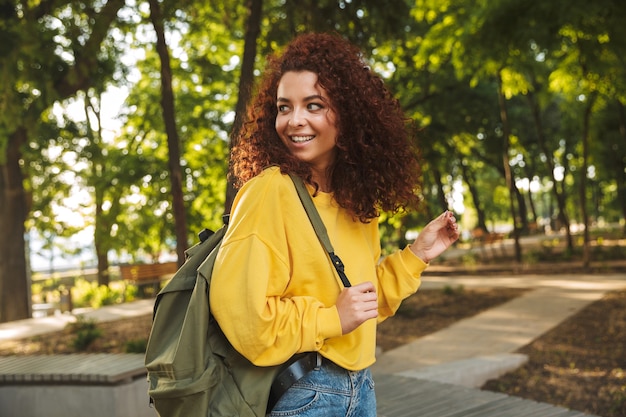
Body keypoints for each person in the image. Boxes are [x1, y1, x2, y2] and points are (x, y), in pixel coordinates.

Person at [210, 32, 460, 416]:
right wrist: (330, 318)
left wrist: (417, 255)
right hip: (304, 393)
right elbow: (244, 318)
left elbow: (362, 301)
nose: (294, 121)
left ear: (347, 112)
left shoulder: (356, 199)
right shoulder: (270, 192)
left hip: (361, 385)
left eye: (313, 105)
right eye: (283, 107)